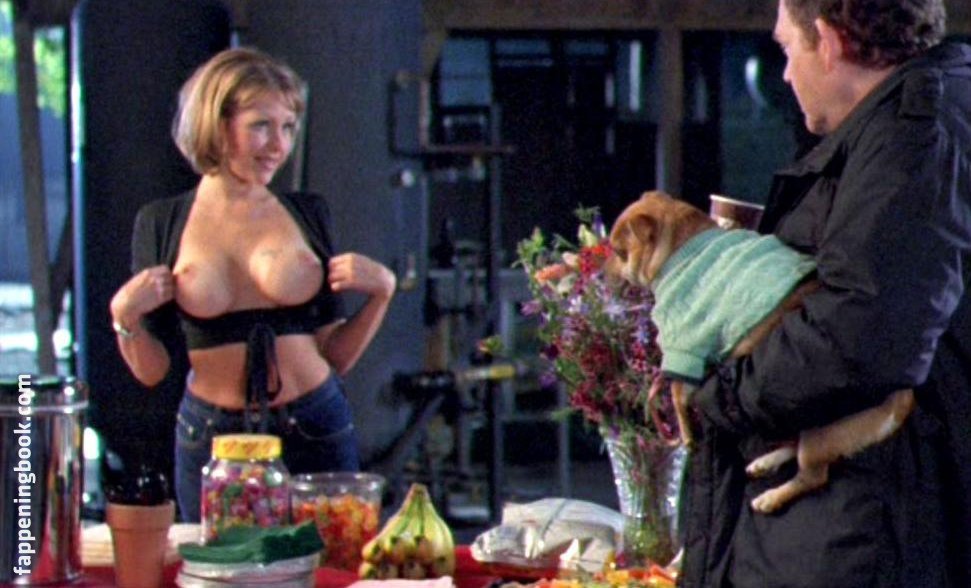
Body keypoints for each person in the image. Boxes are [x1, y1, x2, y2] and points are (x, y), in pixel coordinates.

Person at [679, 1, 971, 586]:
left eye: (787, 48)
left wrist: (716, 397)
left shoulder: (912, 135)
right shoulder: (914, 124)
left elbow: (860, 331)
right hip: (853, 521)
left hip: (860, 529)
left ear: (830, 41)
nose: (786, 73)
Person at [108, 47, 397, 521]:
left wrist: (381, 293)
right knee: (215, 561)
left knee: (333, 559)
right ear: (216, 124)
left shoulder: (307, 213)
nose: (278, 145)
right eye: (261, 126)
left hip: (315, 423)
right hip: (213, 438)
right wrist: (124, 318)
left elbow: (336, 355)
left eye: (288, 127)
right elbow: (152, 371)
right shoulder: (162, 222)